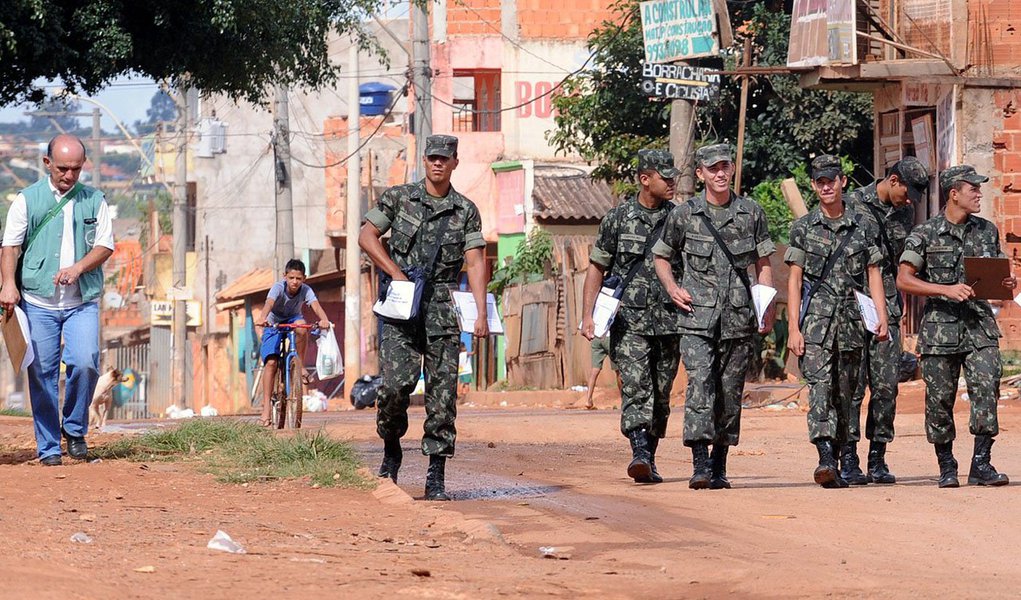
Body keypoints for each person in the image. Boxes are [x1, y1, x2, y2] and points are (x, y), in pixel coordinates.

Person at [358, 134, 489, 501]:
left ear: (454, 163)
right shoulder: (399, 198)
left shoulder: (465, 210)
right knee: (395, 386)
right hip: (401, 305)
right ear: (425, 160)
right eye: (432, 157)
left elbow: (476, 261)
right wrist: (395, 273)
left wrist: (479, 311)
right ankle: (391, 447)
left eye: (444, 159)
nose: (437, 163)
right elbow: (367, 236)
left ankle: (436, 475)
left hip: (443, 307)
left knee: (443, 395)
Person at [652, 143, 776, 490]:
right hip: (696, 319)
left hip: (738, 318)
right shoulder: (685, 214)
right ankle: (700, 463)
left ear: (732, 170)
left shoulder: (750, 213)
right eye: (712, 168)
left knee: (729, 391)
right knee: (700, 384)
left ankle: (720, 464)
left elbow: (763, 264)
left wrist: (765, 307)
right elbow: (661, 257)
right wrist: (673, 289)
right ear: (700, 174)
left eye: (724, 166)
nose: (719, 173)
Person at [896, 165, 1014, 488]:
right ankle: (946, 465)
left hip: (979, 328)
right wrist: (945, 289)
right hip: (940, 329)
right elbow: (904, 278)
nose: (979, 194)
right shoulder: (925, 233)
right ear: (954, 194)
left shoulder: (987, 231)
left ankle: (981, 463)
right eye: (972, 188)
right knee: (939, 401)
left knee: (987, 389)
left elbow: (997, 274)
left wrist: (1006, 281)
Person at [0, 134, 115, 465]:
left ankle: (75, 429)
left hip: (81, 301)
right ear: (47, 163)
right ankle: (49, 447)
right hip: (38, 302)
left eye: (76, 169)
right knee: (42, 374)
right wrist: (9, 284)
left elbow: (105, 245)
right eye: (63, 168)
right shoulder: (27, 199)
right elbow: (10, 245)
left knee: (86, 361)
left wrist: (79, 268)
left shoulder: (95, 199)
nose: (69, 175)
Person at [785, 154, 889, 488]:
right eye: (820, 182)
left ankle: (848, 456)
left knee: (850, 393)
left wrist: (881, 317)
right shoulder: (803, 228)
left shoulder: (863, 225)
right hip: (816, 323)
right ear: (813, 186)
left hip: (852, 323)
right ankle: (825, 457)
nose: (826, 186)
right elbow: (795, 281)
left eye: (832, 180)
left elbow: (874, 274)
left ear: (843, 182)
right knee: (820, 389)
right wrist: (793, 328)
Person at [581, 148, 682, 485]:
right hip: (630, 320)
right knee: (636, 387)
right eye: (664, 177)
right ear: (644, 179)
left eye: (673, 177)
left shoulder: (679, 217)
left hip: (670, 320)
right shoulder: (618, 218)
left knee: (661, 392)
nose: (672, 182)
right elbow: (597, 267)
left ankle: (648, 458)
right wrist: (588, 315)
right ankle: (639, 451)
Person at [842, 156, 930, 485]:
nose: (910, 202)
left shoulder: (905, 212)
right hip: (851, 306)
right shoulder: (850, 205)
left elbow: (900, 261)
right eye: (906, 193)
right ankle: (848, 457)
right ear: (893, 180)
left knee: (885, 386)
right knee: (850, 386)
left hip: (887, 309)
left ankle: (877, 458)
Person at [254, 258, 331, 427]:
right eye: (291, 278)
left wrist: (324, 319)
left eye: (298, 278)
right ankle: (266, 408)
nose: (295, 282)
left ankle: (300, 364)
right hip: (273, 321)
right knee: (271, 363)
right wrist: (263, 317)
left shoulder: (306, 290)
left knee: (302, 328)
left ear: (304, 278)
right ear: (285, 277)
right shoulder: (278, 288)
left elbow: (315, 306)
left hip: (293, 318)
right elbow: (269, 303)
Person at [577, 335, 618, 410]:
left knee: (594, 371)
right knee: (618, 370)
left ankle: (588, 400)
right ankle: (624, 399)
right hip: (609, 337)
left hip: (596, 338)